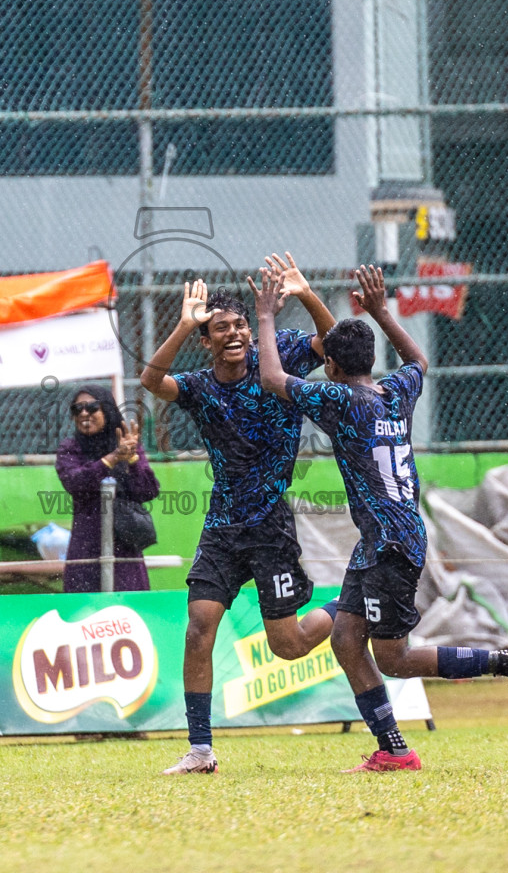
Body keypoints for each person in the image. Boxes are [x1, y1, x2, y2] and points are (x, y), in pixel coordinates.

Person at [255, 265, 508, 772]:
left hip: (391, 544)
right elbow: (419, 359)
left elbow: (272, 378)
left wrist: (264, 315)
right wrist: (382, 312)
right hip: (382, 542)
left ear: (335, 371)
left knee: (393, 656)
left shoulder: (342, 400)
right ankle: (394, 750)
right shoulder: (396, 393)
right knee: (346, 640)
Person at [140, 253, 337, 775]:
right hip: (223, 527)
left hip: (271, 526)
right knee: (198, 628)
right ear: (207, 343)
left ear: (252, 331)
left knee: (288, 645)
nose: (233, 333)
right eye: (220, 328)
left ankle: (350, 605)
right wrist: (184, 325)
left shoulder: (281, 354)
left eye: (240, 325)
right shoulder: (201, 387)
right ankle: (200, 750)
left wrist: (306, 294)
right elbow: (151, 380)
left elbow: (335, 343)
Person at [54, 385, 160, 593]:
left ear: (107, 410)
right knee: (84, 610)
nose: (84, 413)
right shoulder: (70, 448)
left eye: (92, 407)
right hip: (87, 542)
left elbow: (148, 490)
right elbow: (75, 482)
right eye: (78, 409)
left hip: (124, 544)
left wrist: (132, 459)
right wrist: (111, 459)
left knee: (127, 607)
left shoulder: (127, 444)